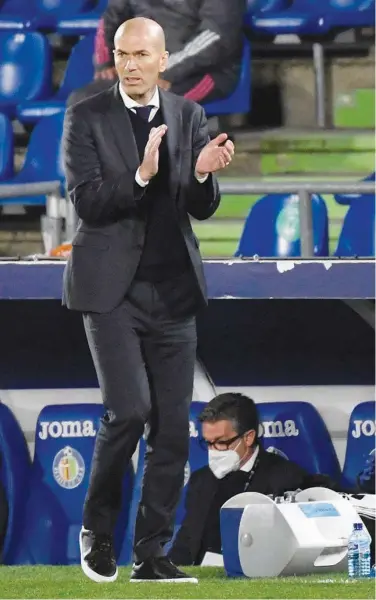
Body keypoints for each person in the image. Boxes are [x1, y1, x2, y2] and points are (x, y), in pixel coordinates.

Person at [62, 16, 235, 584]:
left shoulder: (188, 115)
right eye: (121, 54)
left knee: (168, 429)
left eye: (141, 55)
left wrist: (205, 175)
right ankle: (98, 532)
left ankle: (152, 553)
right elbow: (87, 202)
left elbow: (198, 205)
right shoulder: (86, 116)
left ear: (164, 60)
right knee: (129, 411)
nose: (130, 64)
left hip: (174, 291)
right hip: (112, 292)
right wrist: (139, 176)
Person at [168, 393, 335, 566]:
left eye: (221, 442)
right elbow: (186, 542)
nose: (213, 450)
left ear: (248, 438)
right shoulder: (201, 480)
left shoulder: (284, 477)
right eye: (208, 443)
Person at [67, 0, 245, 107]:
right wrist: (106, 61)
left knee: (143, 106)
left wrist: (164, 70)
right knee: (82, 102)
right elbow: (111, 18)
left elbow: (216, 37)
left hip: (201, 73)